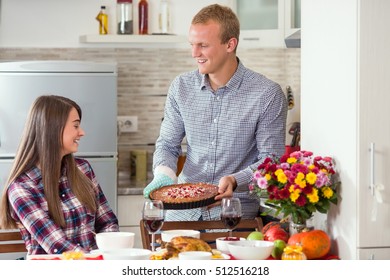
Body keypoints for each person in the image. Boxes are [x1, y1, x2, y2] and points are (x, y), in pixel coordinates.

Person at [143, 4, 287, 221]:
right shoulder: (181, 87)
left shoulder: (266, 94)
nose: (194, 53)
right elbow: (167, 144)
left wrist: (236, 179)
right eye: (192, 44)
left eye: (203, 45)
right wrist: (164, 173)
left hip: (232, 212)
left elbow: (271, 159)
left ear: (230, 44)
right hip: (183, 210)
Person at [0, 95, 119, 255]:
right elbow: (58, 247)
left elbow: (107, 222)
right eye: (75, 126)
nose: (82, 132)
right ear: (53, 128)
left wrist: (110, 255)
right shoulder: (21, 188)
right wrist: (95, 262)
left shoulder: (83, 169)